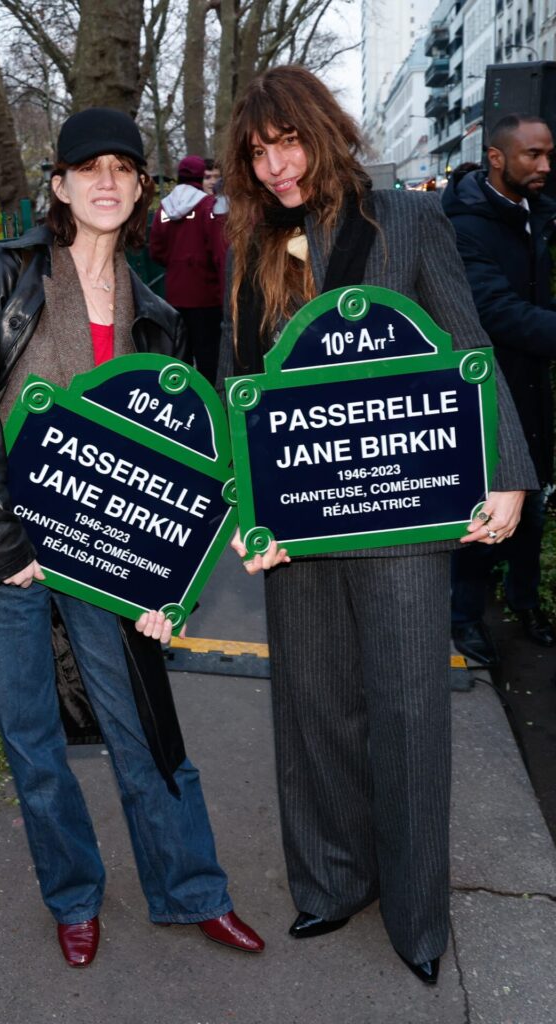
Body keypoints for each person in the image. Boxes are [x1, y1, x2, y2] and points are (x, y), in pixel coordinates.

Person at [0, 107, 264, 968]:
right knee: (34, 741)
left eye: (124, 166)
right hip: (6, 550)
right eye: (89, 167)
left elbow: (174, 462)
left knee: (146, 727)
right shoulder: (1, 273)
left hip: (109, 555)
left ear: (143, 186)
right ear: (60, 185)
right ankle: (73, 896)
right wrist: (2, 549)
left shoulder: (156, 312)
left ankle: (191, 889)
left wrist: (166, 582)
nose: (107, 180)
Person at [218, 66, 535, 985]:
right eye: (259, 152)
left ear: (325, 130)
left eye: (290, 142)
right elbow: (240, 383)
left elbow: (469, 344)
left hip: (403, 510)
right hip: (300, 521)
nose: (277, 166)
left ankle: (416, 914)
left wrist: (509, 474)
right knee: (313, 706)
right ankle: (330, 882)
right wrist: (247, 509)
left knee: (406, 705)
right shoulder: (251, 243)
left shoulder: (407, 220)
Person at [442, 116, 556, 666]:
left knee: (531, 512)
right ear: (495, 157)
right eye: (533, 155)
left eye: (548, 155)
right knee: (480, 518)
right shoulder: (463, 226)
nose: (544, 166)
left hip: (531, 389)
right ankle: (464, 619)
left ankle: (524, 603)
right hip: (484, 396)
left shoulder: (536, 213)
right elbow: (494, 313)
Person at [148, 155, 228, 385]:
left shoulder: (164, 207)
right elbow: (218, 250)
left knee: (180, 356)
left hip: (175, 293)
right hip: (207, 295)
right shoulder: (207, 207)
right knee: (208, 357)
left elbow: (156, 250)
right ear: (201, 175)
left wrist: (175, 265)